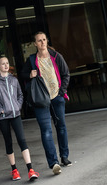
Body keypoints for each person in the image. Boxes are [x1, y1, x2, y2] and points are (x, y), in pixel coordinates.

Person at [23, 32, 71, 175]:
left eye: (44, 40)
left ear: (46, 41)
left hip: (57, 97)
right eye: (39, 40)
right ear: (35, 44)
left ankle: (64, 156)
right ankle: (54, 163)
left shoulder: (56, 56)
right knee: (46, 131)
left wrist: (62, 92)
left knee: (61, 127)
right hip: (41, 100)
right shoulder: (31, 60)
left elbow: (66, 74)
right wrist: (30, 75)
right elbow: (23, 75)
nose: (42, 42)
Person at [0, 55, 39, 181]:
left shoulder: (14, 80)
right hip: (3, 117)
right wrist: (0, 111)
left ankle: (30, 169)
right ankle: (14, 170)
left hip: (15, 114)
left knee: (22, 140)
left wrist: (18, 106)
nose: (5, 65)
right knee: (8, 142)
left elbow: (20, 95)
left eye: (7, 63)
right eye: (3, 64)